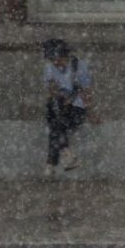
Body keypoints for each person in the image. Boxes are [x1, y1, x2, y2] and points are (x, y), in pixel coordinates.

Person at [42, 38, 99, 177]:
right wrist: (58, 96)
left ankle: (53, 163)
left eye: (57, 59)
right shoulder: (49, 68)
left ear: (65, 56)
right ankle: (65, 157)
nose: (56, 63)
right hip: (58, 106)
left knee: (56, 127)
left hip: (76, 108)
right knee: (55, 123)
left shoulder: (79, 67)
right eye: (52, 60)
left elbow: (86, 91)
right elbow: (51, 90)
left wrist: (90, 112)